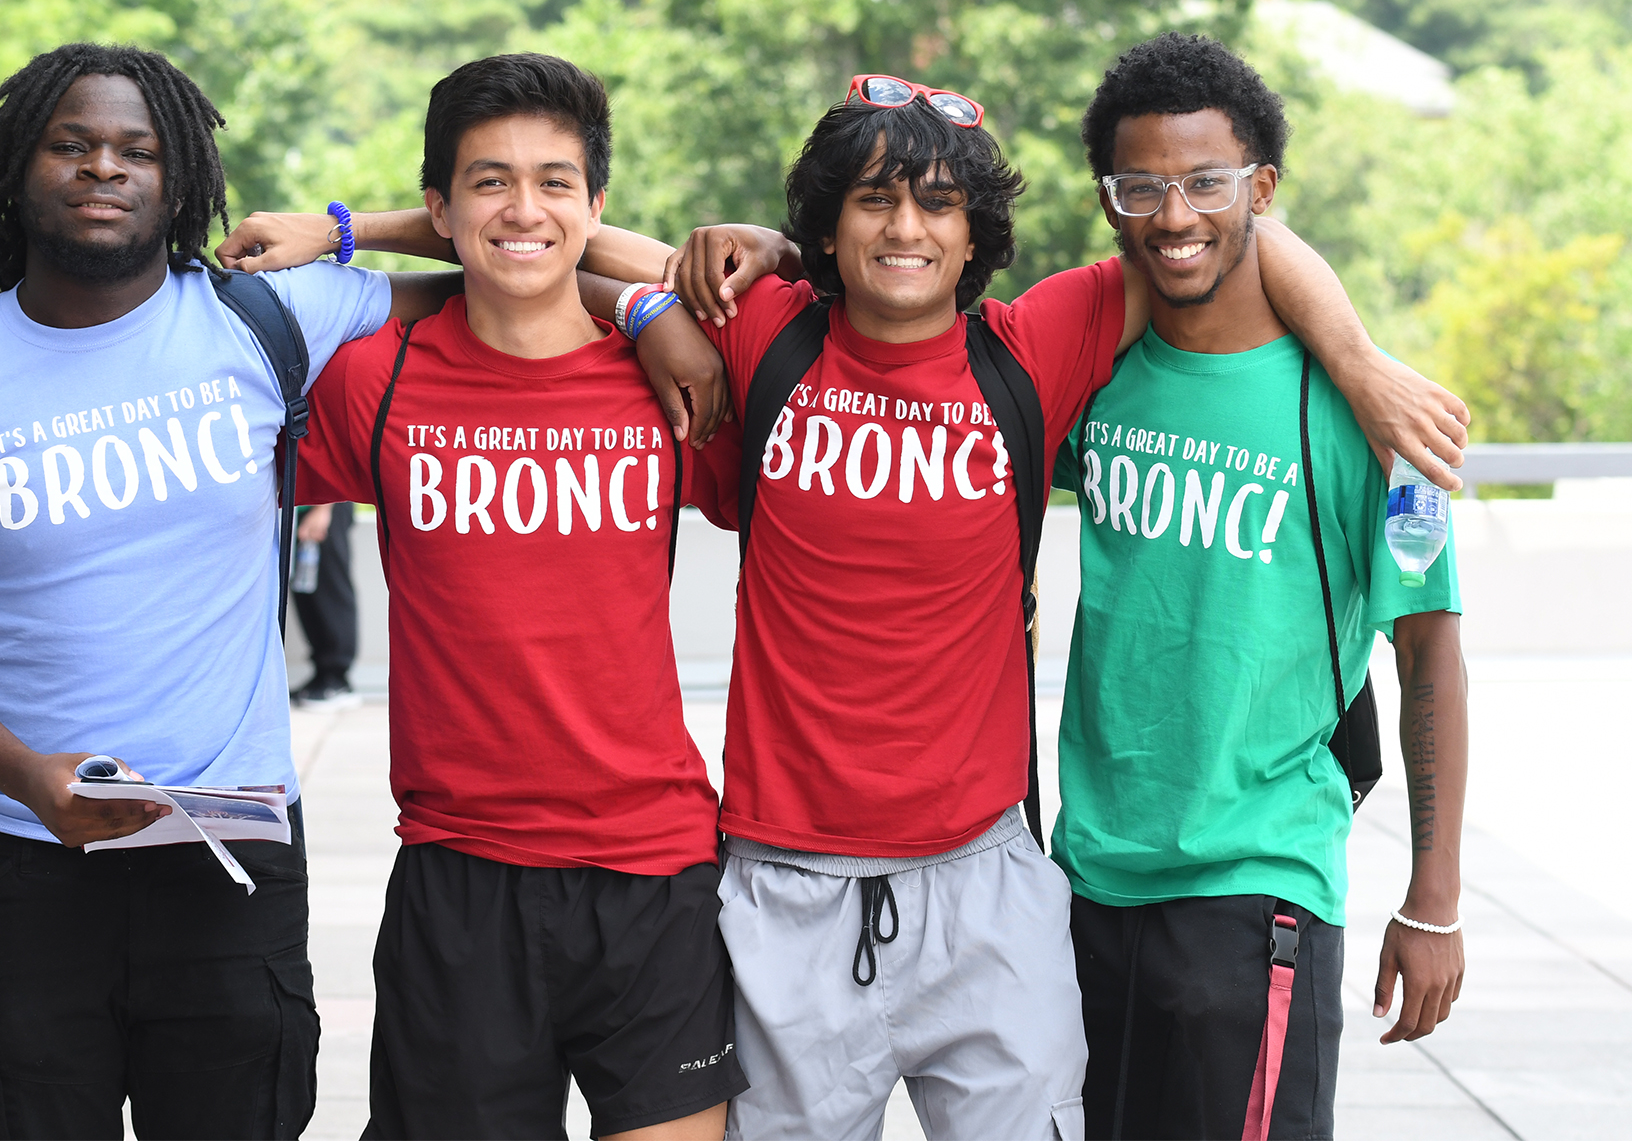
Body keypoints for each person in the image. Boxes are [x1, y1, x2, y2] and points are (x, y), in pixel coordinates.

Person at [334, 68, 1469, 1139]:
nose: (907, 228)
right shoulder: (767, 333)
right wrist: (369, 234)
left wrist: (1360, 363)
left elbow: (1221, 233)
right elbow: (546, 247)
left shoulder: (1035, 346)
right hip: (780, 886)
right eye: (874, 201)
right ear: (829, 229)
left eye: (938, 204)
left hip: (986, 882)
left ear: (977, 235)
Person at [0, 42, 471, 1141]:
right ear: (16, 171)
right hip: (20, 858)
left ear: (180, 182)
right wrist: (27, 775)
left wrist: (348, 229)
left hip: (226, 849)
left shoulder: (266, 320)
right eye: (70, 144)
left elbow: (522, 260)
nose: (103, 168)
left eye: (138, 149)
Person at [217, 53, 747, 1140]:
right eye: (489, 181)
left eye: (558, 182)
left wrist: (647, 306)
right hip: (460, 879)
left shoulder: (676, 381)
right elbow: (181, 400)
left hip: (655, 875)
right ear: (439, 207)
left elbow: (803, 302)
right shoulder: (377, 380)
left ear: (597, 205)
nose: (525, 207)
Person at [1055, 33, 1468, 1140]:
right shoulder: (1093, 376)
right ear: (1109, 202)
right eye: (1141, 186)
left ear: (1262, 191)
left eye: (1206, 182)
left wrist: (1434, 900)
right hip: (1084, 878)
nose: (1175, 215)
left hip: (1256, 884)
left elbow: (1429, 651)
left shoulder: (1384, 429)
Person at [288, 501, 360, 709]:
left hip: (324, 504)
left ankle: (336, 680)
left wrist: (323, 508)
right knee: (308, 591)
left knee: (330, 589)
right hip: (302, 507)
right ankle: (323, 675)